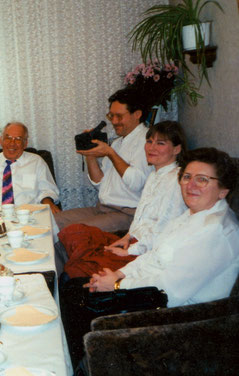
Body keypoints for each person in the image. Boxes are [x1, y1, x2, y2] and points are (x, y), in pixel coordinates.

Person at [60, 147, 239, 367]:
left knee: (77, 302)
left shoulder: (215, 231)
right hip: (151, 292)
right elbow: (153, 255)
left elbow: (169, 289)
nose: (190, 185)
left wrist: (117, 286)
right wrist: (118, 273)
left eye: (202, 180)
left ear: (222, 190)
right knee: (73, 287)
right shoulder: (192, 215)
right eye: (187, 177)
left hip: (177, 315)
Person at [60, 121, 188, 279]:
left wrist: (129, 251)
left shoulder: (176, 181)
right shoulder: (155, 175)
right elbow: (140, 217)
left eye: (160, 143)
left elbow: (162, 232)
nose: (151, 148)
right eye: (149, 142)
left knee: (78, 268)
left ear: (177, 149)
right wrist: (126, 238)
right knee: (72, 232)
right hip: (133, 240)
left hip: (145, 252)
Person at [54, 88, 153, 232]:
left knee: (74, 232)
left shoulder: (148, 142)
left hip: (127, 213)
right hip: (102, 208)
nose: (113, 121)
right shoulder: (118, 143)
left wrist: (110, 153)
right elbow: (99, 184)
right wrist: (90, 154)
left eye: (119, 116)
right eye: (111, 116)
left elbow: (136, 182)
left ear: (137, 114)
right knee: (52, 222)